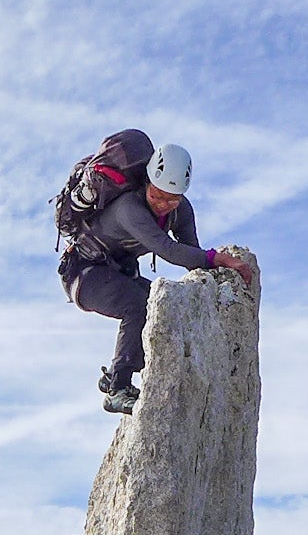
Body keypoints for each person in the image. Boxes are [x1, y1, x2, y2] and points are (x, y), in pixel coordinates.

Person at [59, 136, 255, 413]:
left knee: (163, 306)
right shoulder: (129, 208)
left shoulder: (182, 211)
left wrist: (218, 282)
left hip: (117, 273)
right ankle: (117, 388)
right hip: (84, 274)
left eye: (172, 199)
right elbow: (168, 250)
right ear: (148, 182)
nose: (163, 204)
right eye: (157, 195)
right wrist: (216, 258)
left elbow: (191, 253)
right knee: (137, 306)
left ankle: (116, 371)